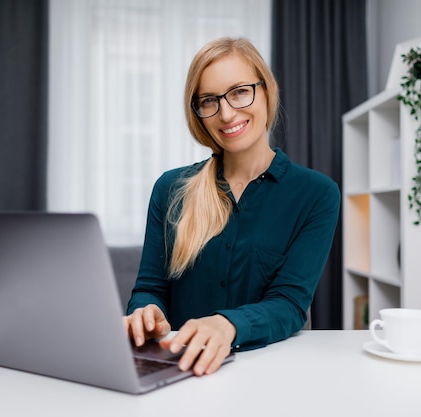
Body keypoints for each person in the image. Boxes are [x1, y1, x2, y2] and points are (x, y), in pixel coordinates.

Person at [124, 37, 340, 376]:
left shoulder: (317, 194)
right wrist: (146, 313)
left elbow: (289, 304)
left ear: (266, 90)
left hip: (268, 374)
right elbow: (150, 289)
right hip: (178, 373)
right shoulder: (170, 188)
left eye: (240, 91)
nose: (226, 113)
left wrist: (228, 325)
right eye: (209, 100)